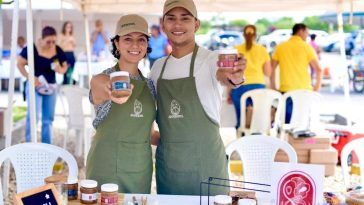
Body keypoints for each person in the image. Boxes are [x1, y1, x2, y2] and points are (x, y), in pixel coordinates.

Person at [150, 0, 246, 195]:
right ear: (163, 24)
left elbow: (226, 74)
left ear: (196, 24)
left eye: (185, 18)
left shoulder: (211, 59)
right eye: (171, 18)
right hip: (169, 168)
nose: (177, 25)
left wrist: (235, 76)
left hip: (207, 165)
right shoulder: (157, 68)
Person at [86, 14, 157, 193]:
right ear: (116, 43)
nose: (135, 45)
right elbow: (98, 83)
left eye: (141, 39)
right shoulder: (105, 78)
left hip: (140, 170)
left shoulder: (150, 85)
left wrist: (177, 143)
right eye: (127, 39)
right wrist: (113, 92)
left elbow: (148, 134)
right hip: (107, 168)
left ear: (147, 44)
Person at [17, 26, 68, 143]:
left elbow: (65, 67)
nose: (51, 44)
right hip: (34, 86)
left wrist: (60, 69)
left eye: (54, 41)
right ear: (42, 39)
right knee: (33, 117)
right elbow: (19, 63)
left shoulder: (58, 49)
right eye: (48, 41)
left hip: (51, 87)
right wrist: (29, 77)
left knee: (48, 119)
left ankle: (47, 146)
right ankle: (30, 144)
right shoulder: (32, 48)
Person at [270, 23, 322, 123]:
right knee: (302, 122)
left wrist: (273, 86)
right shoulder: (306, 47)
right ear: (300, 31)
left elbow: (272, 69)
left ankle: (287, 139)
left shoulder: (281, 47)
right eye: (306, 32)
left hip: (286, 90)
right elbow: (319, 69)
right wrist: (316, 87)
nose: (307, 35)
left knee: (287, 124)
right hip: (304, 91)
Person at [227, 25, 271, 131]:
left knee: (242, 119)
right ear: (255, 36)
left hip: (238, 88)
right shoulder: (263, 50)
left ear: (243, 35)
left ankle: (241, 139)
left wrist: (229, 93)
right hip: (258, 87)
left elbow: (229, 73)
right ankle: (257, 139)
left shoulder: (235, 50)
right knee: (257, 119)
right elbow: (268, 73)